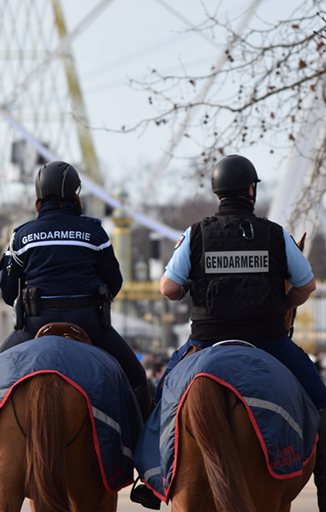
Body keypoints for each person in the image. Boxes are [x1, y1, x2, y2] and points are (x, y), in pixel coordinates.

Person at [134, 154, 326, 510]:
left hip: (205, 341)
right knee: (322, 402)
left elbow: (168, 289)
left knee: (160, 402)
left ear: (218, 193)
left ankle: (150, 480)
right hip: (268, 340)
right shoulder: (275, 234)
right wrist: (278, 307)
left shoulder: (195, 234)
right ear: (251, 191)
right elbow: (307, 286)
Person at [0, 160, 151, 420]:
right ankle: (143, 448)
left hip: (36, 324)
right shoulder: (95, 234)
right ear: (76, 196)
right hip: (88, 323)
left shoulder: (21, 237)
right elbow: (115, 283)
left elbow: (8, 294)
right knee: (137, 378)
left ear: (38, 199)